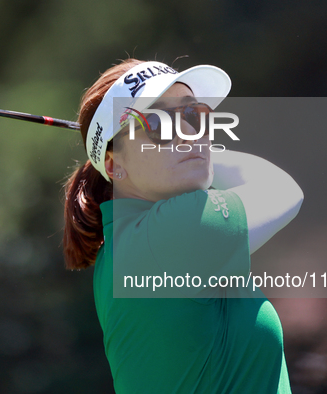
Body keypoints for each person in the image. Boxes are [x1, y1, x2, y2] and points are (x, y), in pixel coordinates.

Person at [63, 58, 303, 393]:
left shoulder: (125, 243)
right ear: (114, 165)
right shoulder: (169, 232)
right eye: (159, 123)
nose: (189, 132)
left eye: (194, 116)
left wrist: (191, 149)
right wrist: (203, 153)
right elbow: (283, 190)